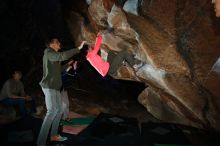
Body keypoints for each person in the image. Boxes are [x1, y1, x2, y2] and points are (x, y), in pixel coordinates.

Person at [37, 38, 86, 146]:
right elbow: (61, 56)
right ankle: (40, 142)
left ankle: (54, 136)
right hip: (49, 86)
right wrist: (78, 49)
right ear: (51, 44)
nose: (60, 43)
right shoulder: (49, 53)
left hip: (55, 87)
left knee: (59, 110)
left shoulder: (54, 57)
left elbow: (59, 70)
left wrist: (67, 65)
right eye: (57, 42)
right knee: (51, 112)